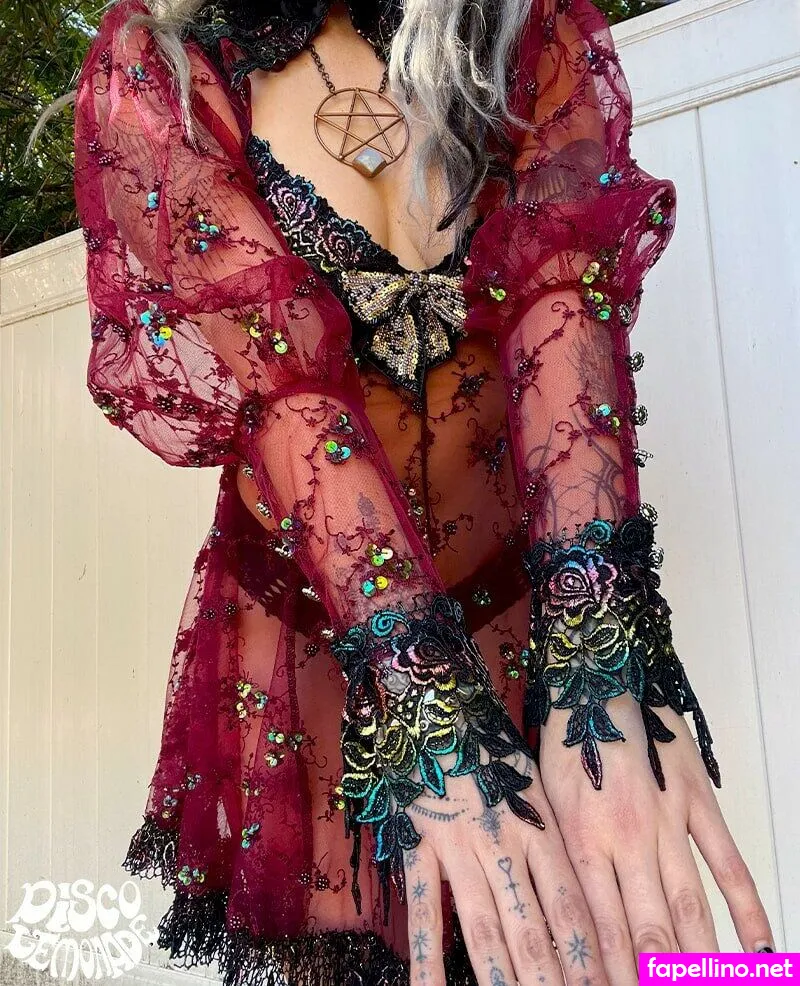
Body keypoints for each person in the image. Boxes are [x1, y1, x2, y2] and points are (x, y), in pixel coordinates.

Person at [65, 0, 775, 982]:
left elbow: (562, 298)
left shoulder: (525, 21)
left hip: (528, 614)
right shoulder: (160, 68)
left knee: (594, 939)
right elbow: (288, 399)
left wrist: (599, 667)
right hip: (318, 647)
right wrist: (435, 713)